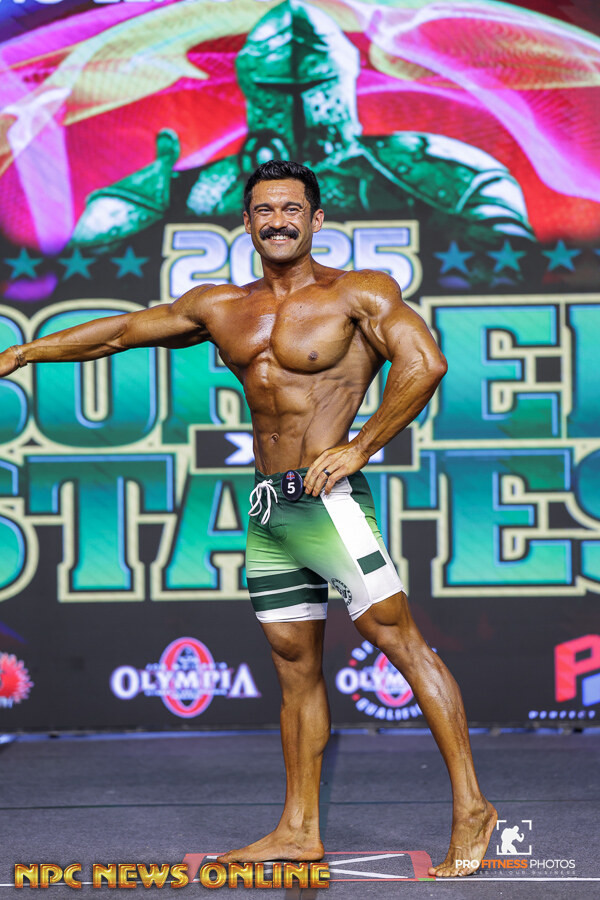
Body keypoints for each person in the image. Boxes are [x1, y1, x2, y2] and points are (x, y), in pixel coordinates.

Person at [0, 159, 497, 878]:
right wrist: (24, 351)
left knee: (401, 643)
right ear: (247, 222)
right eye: (265, 210)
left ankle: (473, 807)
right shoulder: (222, 306)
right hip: (270, 505)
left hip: (327, 500)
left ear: (316, 219)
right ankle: (299, 828)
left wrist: (360, 446)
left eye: (292, 209)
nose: (278, 221)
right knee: (295, 667)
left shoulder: (359, 292)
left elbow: (425, 363)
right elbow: (122, 332)